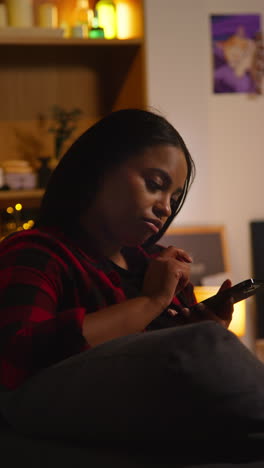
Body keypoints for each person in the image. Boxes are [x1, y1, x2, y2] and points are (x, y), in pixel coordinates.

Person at [0, 108, 263, 443]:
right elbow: (18, 354)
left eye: (174, 198)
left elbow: (164, 367)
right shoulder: (35, 253)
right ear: (97, 170)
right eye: (155, 185)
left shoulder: (154, 263)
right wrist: (149, 302)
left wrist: (197, 329)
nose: (166, 207)